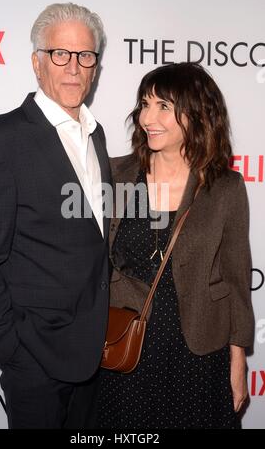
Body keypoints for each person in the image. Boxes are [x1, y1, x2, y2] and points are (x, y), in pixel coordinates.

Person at [0, 3, 111, 429]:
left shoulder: (95, 134)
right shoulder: (3, 140)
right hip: (35, 360)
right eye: (59, 54)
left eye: (85, 56)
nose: (73, 67)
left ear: (95, 67)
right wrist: (12, 349)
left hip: (93, 353)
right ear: (37, 62)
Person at [95, 62, 254, 429]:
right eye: (144, 104)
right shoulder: (114, 174)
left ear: (197, 113)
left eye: (163, 106)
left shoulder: (224, 187)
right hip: (125, 345)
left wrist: (237, 360)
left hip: (197, 352)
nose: (148, 117)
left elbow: (235, 277)